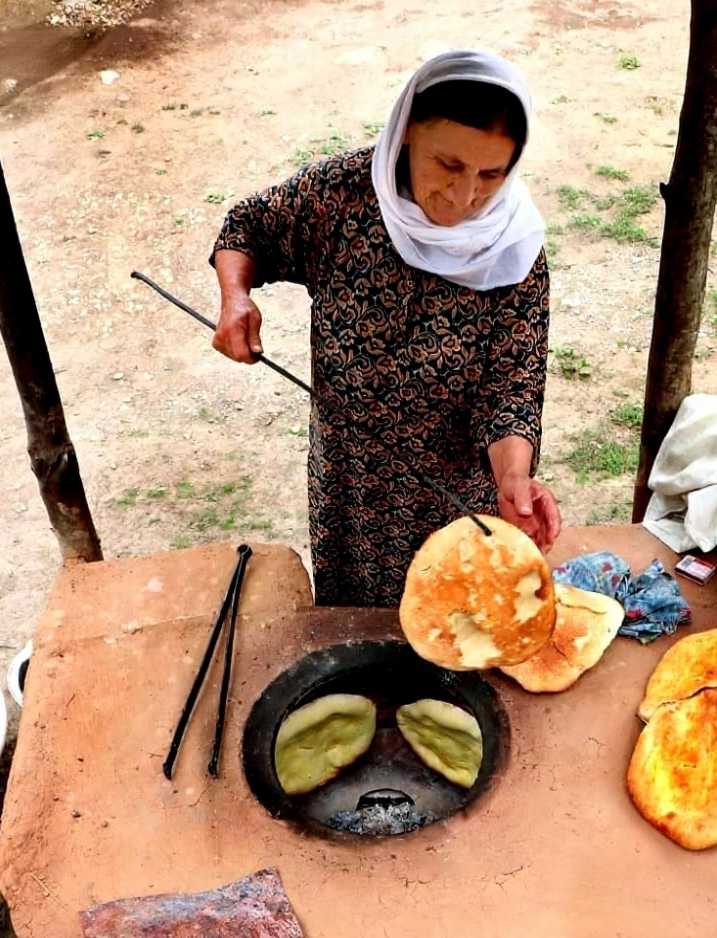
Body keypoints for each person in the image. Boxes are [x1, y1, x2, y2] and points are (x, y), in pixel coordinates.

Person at [210, 49, 562, 607]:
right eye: (448, 165)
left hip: (450, 493)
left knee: (451, 619)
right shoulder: (342, 197)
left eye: (491, 173)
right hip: (348, 483)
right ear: (406, 134)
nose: (466, 195)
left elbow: (512, 387)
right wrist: (235, 298)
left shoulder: (512, 250)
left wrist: (513, 479)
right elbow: (246, 228)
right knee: (351, 622)